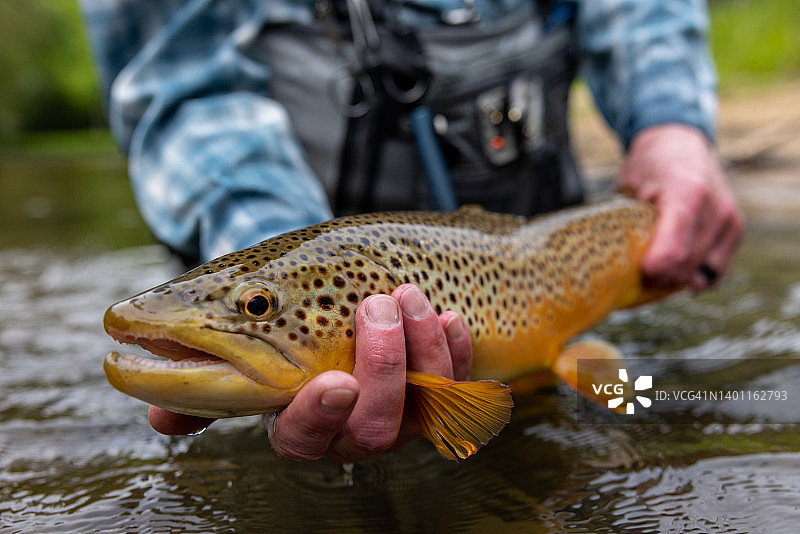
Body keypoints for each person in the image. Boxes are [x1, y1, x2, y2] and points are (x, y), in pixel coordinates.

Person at [82, 0, 743, 462]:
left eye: (256, 308)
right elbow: (190, 92)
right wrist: (270, 241)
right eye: (257, 307)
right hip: (299, 225)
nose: (256, 311)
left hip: (545, 230)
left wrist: (672, 128)